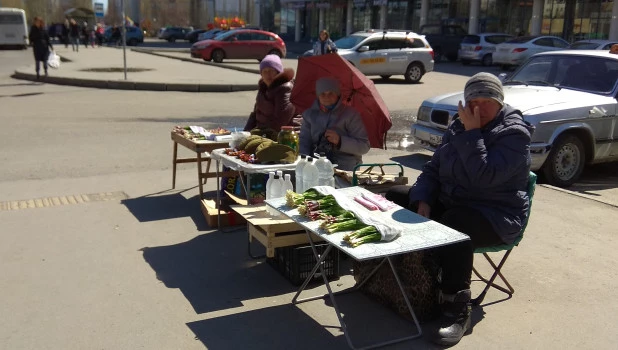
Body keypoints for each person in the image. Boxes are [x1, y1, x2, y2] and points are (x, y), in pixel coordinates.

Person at [385, 72, 534, 346]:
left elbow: (484, 177)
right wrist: (424, 201)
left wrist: (473, 133)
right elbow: (433, 170)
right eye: (472, 101)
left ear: (499, 102)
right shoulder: (458, 127)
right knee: (395, 196)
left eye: (486, 101)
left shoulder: (514, 134)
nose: (478, 108)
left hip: (497, 216)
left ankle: (456, 310)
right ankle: (401, 278)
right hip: (457, 203)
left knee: (455, 225)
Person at [298, 77, 370, 171]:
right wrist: (303, 163)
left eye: (331, 93)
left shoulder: (351, 115)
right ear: (318, 96)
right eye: (322, 94)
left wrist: (340, 141)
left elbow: (364, 146)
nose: (327, 97)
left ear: (338, 95)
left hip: (345, 167)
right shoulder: (309, 115)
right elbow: (304, 142)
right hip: (316, 164)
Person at [243, 54, 297, 133]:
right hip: (265, 132)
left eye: (271, 70)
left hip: (285, 135)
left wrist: (258, 133)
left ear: (278, 72)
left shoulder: (285, 88)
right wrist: (245, 133)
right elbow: (255, 114)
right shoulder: (263, 88)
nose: (268, 74)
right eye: (265, 71)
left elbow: (280, 121)